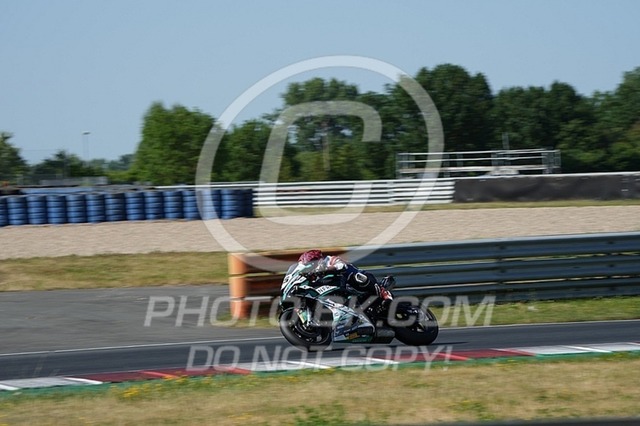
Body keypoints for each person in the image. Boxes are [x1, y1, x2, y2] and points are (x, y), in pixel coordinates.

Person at [294, 249, 394, 303]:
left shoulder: (330, 260)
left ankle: (382, 292)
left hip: (351, 284)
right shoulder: (310, 274)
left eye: (310, 265)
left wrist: (327, 269)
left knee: (356, 276)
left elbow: (341, 265)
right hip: (334, 294)